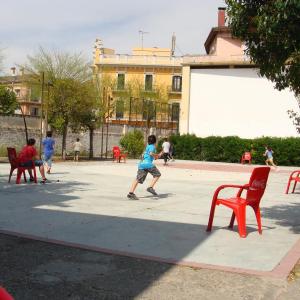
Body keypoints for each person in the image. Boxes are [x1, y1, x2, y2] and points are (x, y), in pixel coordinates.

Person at [127, 135, 163, 200]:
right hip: (148, 164)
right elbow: (151, 154)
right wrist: (157, 154)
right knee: (157, 175)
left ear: (148, 141)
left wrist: (159, 155)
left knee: (138, 179)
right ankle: (150, 187)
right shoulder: (152, 147)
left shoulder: (147, 147)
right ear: (155, 141)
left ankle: (131, 193)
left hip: (141, 164)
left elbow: (154, 157)